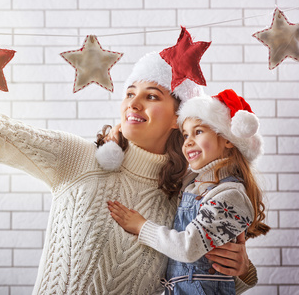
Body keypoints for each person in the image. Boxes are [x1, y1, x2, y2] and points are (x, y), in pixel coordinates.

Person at [0, 17, 257, 294]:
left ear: (179, 119)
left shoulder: (186, 195)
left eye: (152, 95)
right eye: (129, 92)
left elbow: (202, 276)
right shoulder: (81, 158)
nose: (134, 102)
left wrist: (242, 269)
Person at [107, 89, 270, 294]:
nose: (188, 141)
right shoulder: (192, 184)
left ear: (228, 139)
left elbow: (188, 248)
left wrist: (141, 227)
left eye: (198, 132)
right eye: (185, 135)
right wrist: (121, 139)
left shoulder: (230, 194)